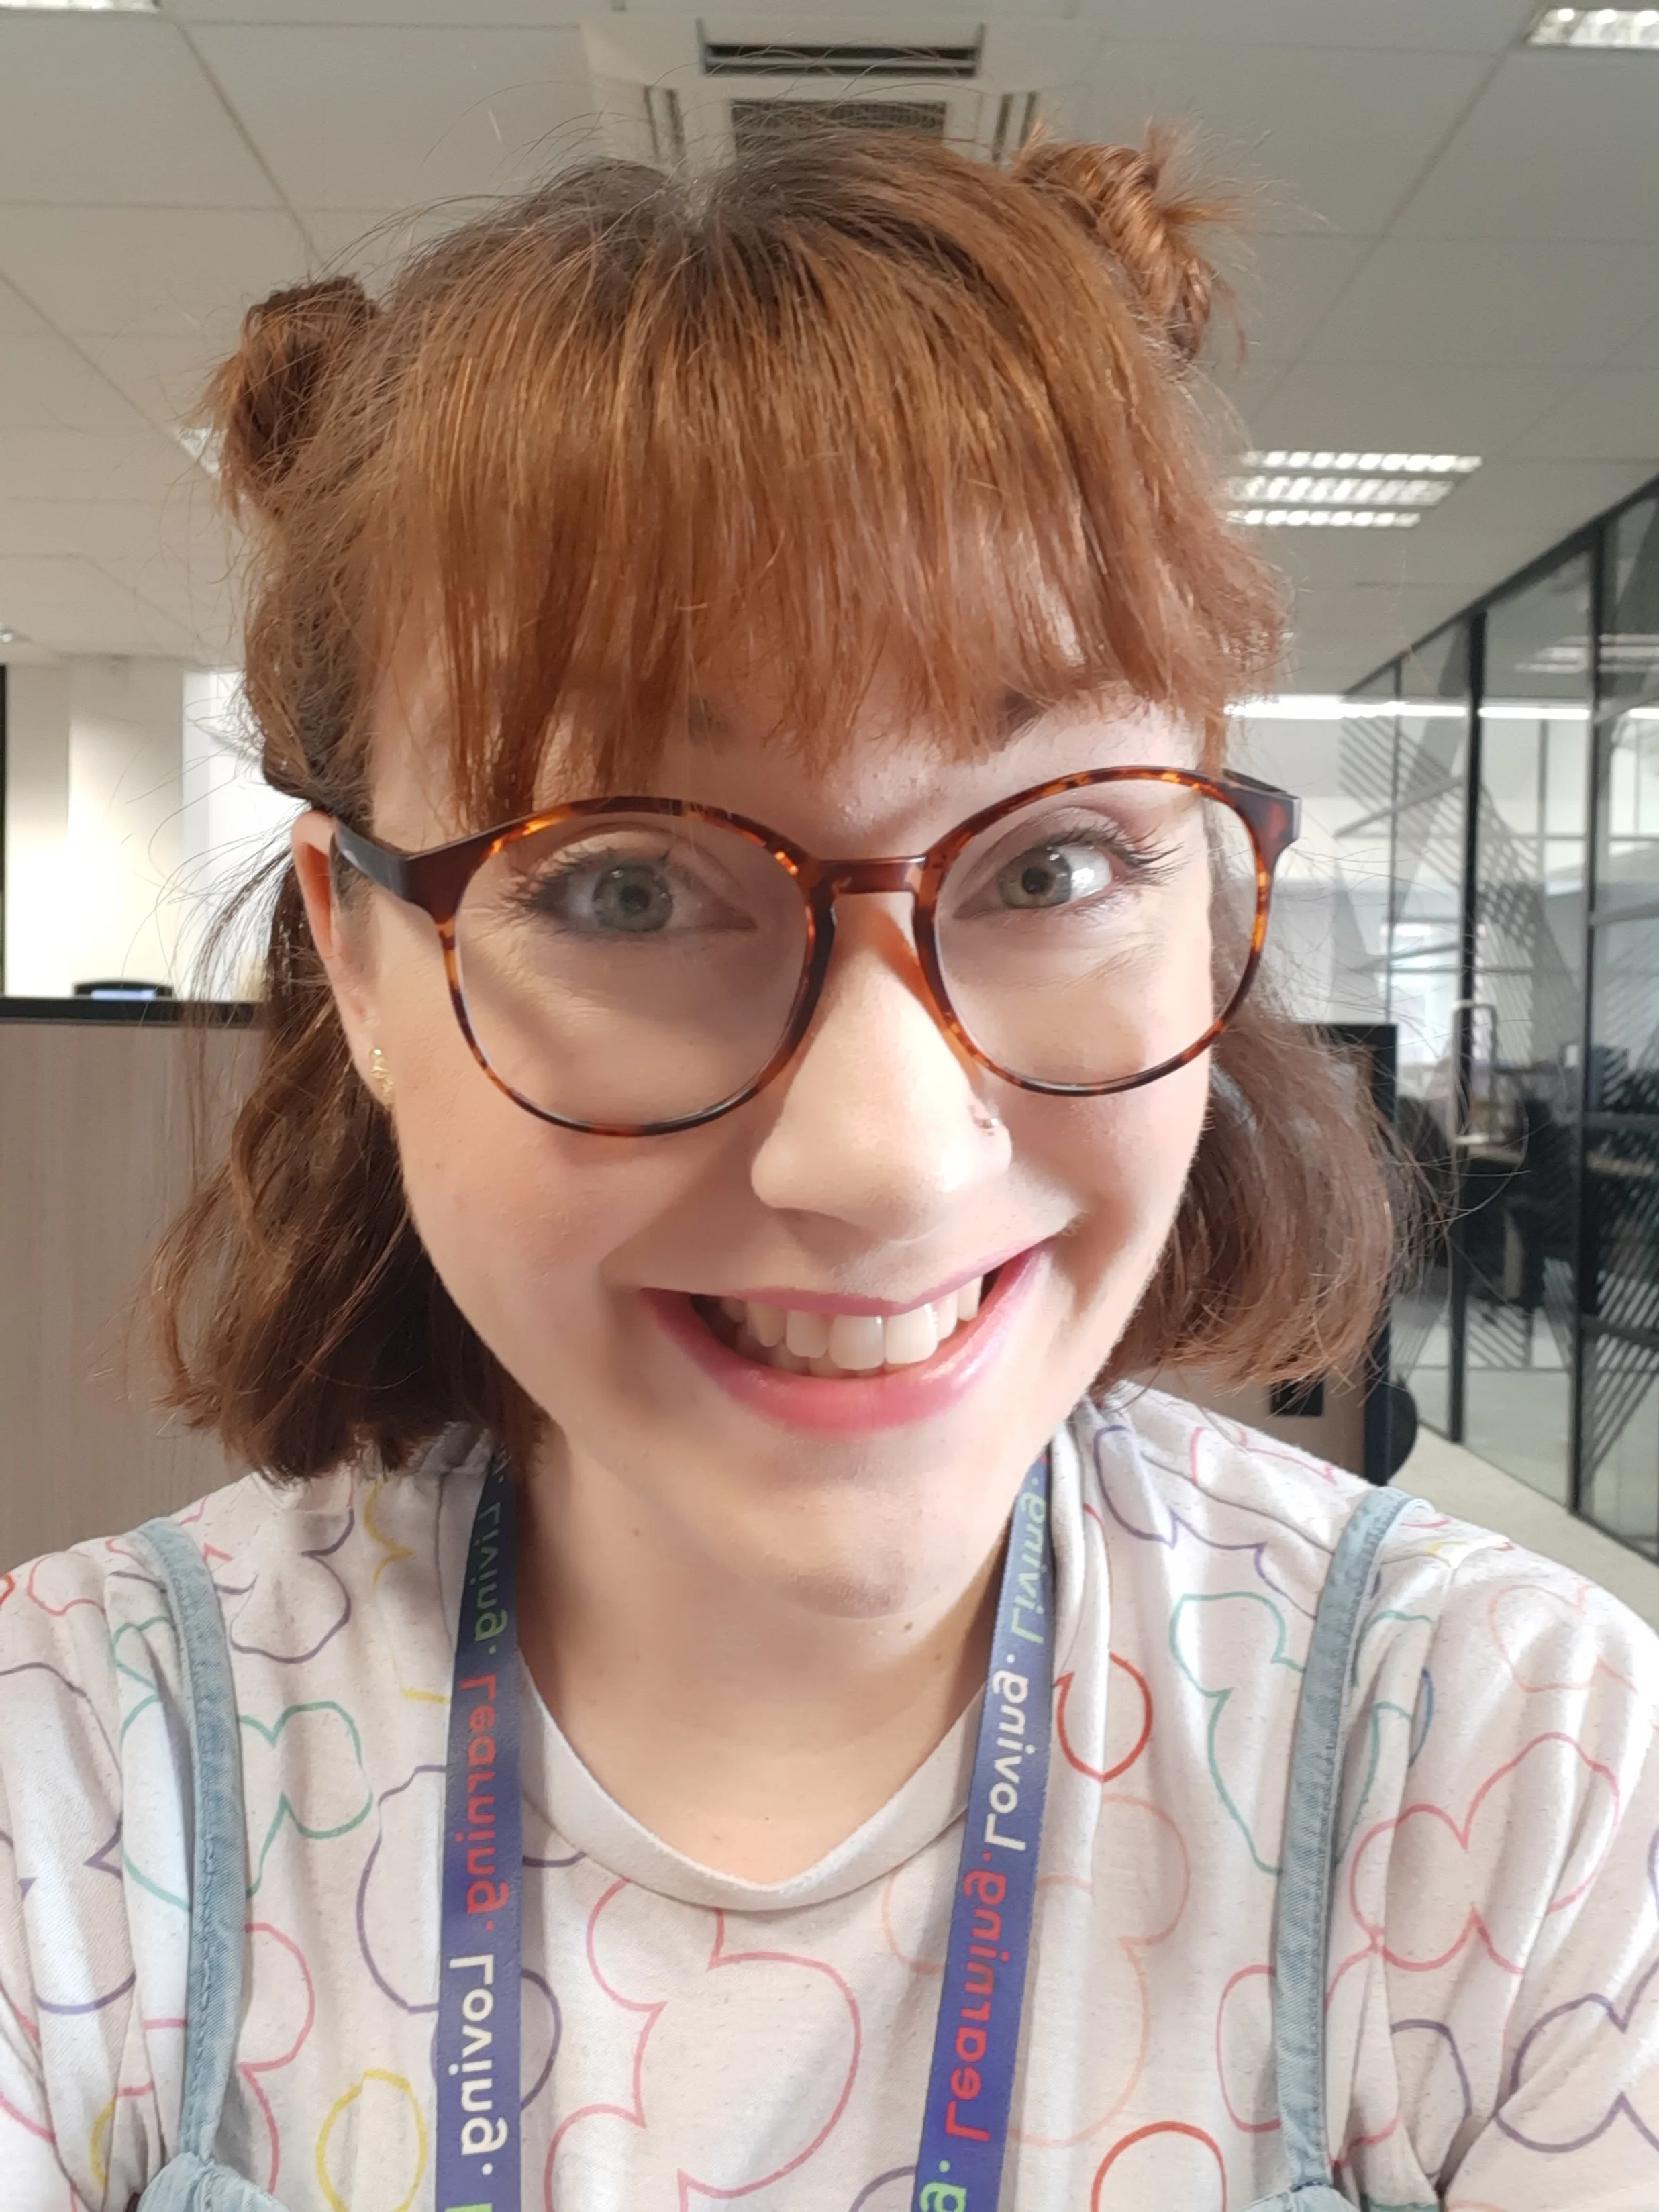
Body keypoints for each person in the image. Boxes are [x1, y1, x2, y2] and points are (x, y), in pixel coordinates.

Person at [1, 125, 1654, 2212]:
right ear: (358, 958)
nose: (882, 1159)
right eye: (618, 887)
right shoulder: (74, 1782)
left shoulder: (1514, 1769)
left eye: (1054, 862)